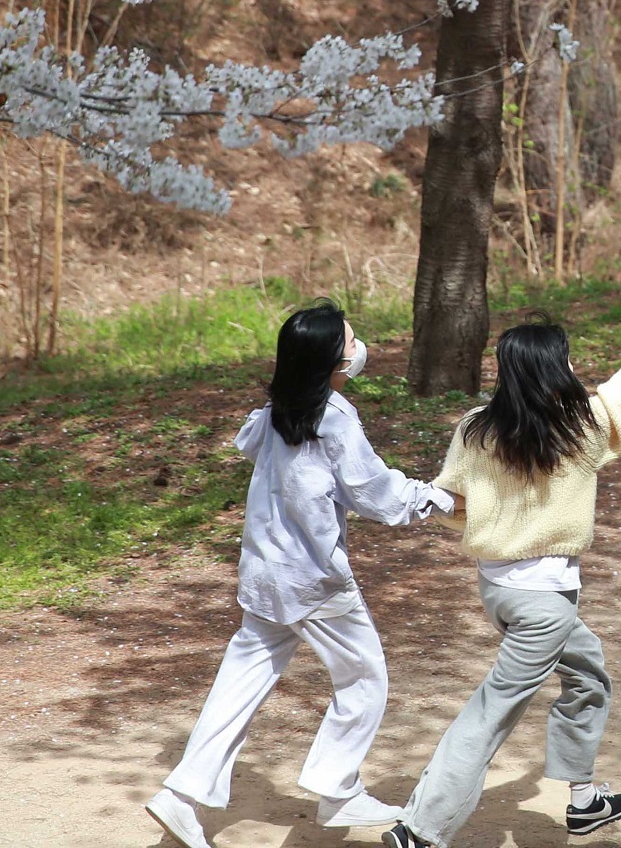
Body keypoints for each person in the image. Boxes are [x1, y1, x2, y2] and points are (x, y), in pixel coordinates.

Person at [383, 251, 621, 848]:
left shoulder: (476, 429)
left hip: (505, 593)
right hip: (543, 604)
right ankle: (420, 829)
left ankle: (584, 799)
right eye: (568, 356)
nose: (575, 363)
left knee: (588, 673)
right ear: (553, 368)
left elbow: (453, 500)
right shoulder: (584, 425)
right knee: (491, 714)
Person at [148, 300, 455, 848]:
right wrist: (432, 497)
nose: (359, 349)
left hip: (264, 571)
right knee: (364, 677)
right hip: (313, 580)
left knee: (241, 681)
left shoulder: (278, 409)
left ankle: (182, 792)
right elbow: (373, 492)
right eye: (351, 342)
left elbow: (250, 444)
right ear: (332, 363)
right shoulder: (332, 417)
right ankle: (337, 789)